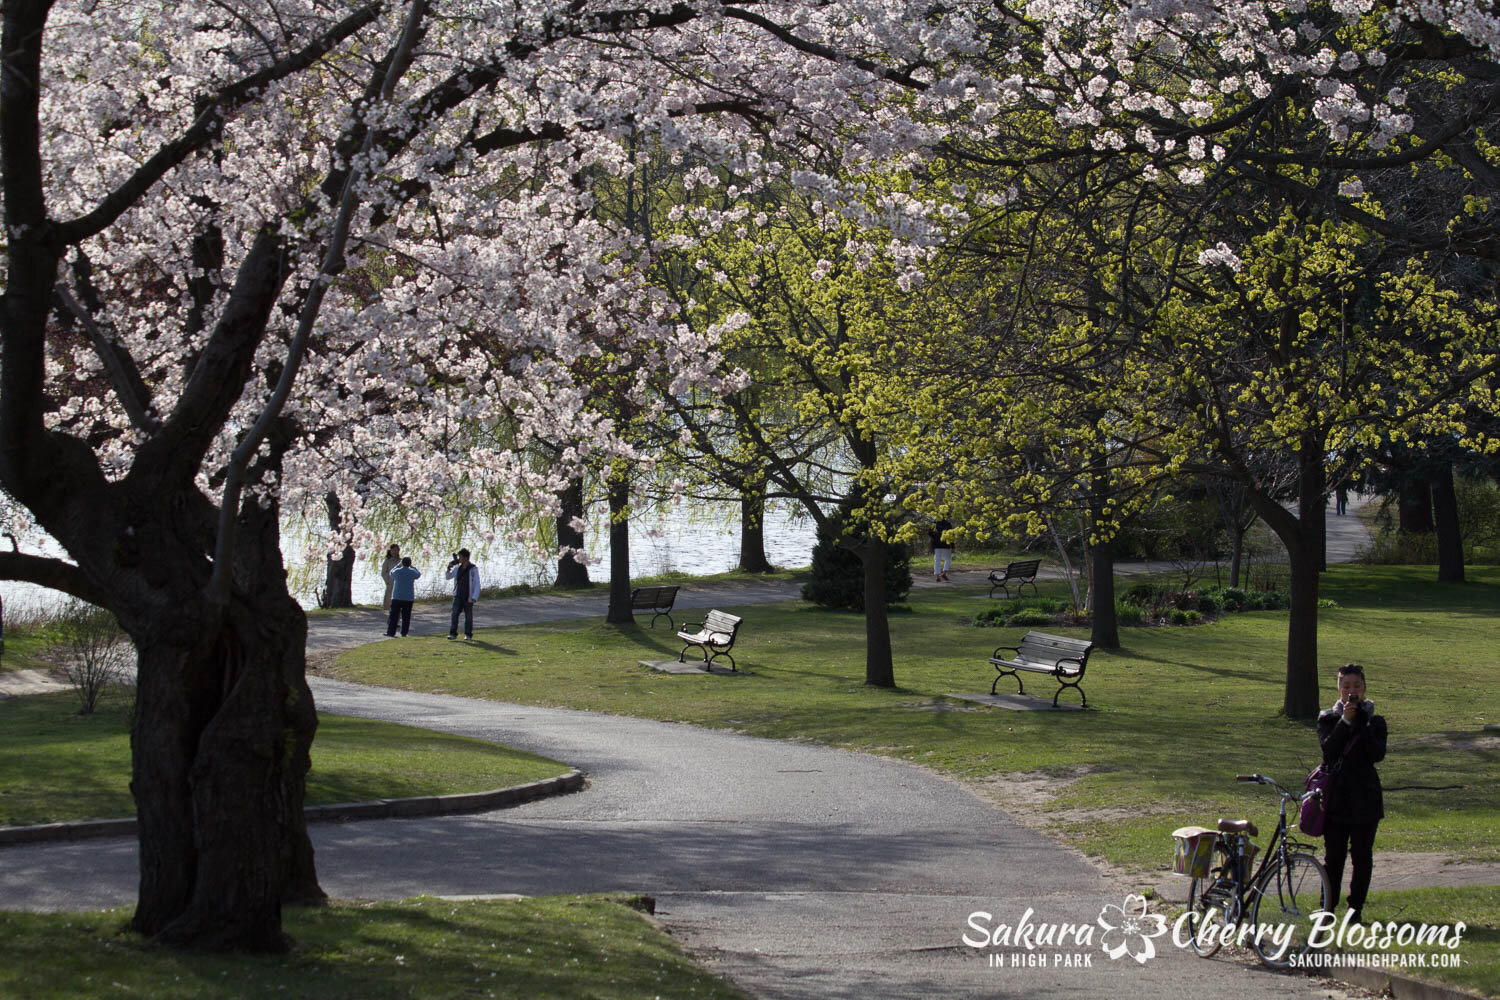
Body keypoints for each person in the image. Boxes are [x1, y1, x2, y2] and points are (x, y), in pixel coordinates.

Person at [1317, 663, 1387, 925]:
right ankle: (1327, 908)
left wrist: (1361, 723)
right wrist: (1345, 721)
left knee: (1362, 856)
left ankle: (1355, 909)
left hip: (1365, 799)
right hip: (1336, 799)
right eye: (1346, 687)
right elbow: (1329, 751)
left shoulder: (1375, 721)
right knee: (1333, 857)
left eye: (1356, 686)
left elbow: (1376, 754)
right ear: (1339, 689)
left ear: (1364, 688)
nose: (1351, 691)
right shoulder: (1328, 719)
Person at [446, 548, 481, 641]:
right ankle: (453, 633)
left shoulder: (473, 569)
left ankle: (468, 634)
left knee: (468, 616)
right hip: (458, 595)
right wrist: (448, 568)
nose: (459, 559)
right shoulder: (457, 568)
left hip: (468, 596)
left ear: (465, 558)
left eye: (460, 557)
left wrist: (475, 596)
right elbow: (448, 577)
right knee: (454, 615)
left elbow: (477, 583)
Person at [385, 557, 421, 637]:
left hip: (397, 597)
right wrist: (413, 567)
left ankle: (391, 632)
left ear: (402, 563)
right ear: (409, 563)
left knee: (394, 616)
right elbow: (418, 574)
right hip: (408, 597)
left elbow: (391, 573)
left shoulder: (397, 571)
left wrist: (398, 565)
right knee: (406, 616)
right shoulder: (412, 572)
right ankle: (404, 633)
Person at [380, 543, 401, 609]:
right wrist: (387, 581)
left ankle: (398, 609)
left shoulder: (401, 561)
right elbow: (383, 573)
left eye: (396, 550)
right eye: (393, 550)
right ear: (390, 551)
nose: (394, 552)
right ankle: (387, 608)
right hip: (391, 582)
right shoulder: (387, 561)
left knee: (399, 597)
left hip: (400, 582)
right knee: (389, 596)